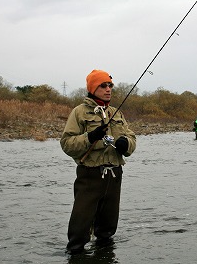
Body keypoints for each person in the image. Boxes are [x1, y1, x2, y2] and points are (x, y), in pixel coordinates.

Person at [60, 69, 136, 254]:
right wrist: (90, 137)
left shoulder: (116, 113)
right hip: (90, 176)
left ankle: (104, 256)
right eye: (103, 85)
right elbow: (67, 144)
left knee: (107, 230)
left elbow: (132, 138)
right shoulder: (79, 112)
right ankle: (76, 255)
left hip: (115, 175)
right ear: (93, 88)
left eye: (110, 85)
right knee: (79, 230)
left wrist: (125, 144)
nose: (108, 89)